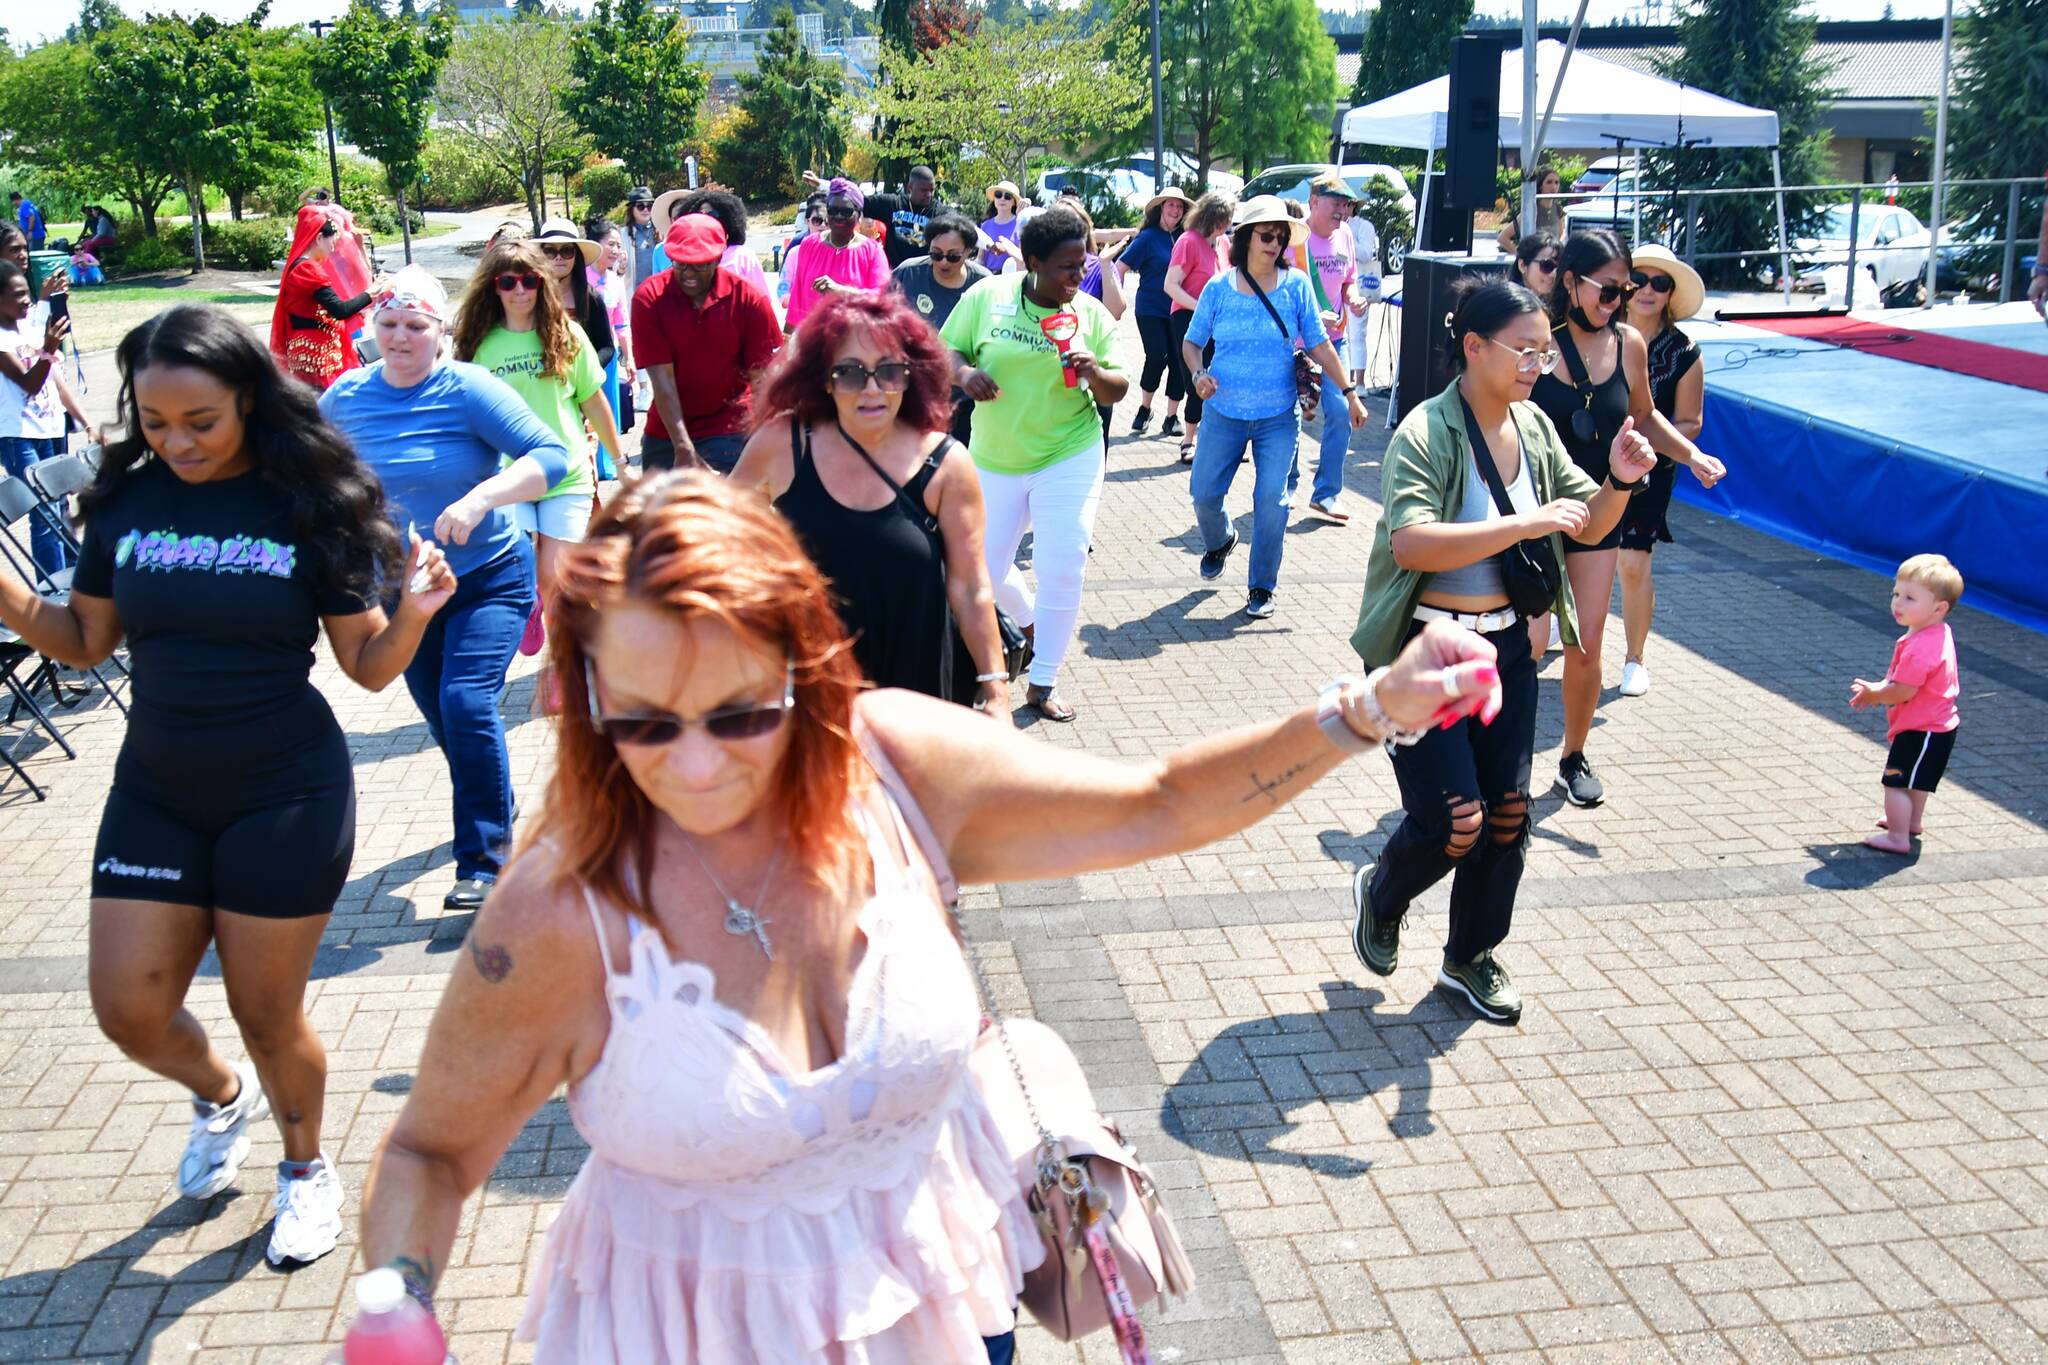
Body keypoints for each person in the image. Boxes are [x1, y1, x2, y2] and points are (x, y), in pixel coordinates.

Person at [354, 466, 1503, 1358]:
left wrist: (1371, 706)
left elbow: (1160, 804)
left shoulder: (894, 767)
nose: (695, 767)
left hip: (948, 1306)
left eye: (740, 714)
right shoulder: (563, 906)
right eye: (644, 722)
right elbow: (432, 1150)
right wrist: (394, 1306)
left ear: (805, 667)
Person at [0, 304, 456, 1266]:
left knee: (264, 1009)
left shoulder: (306, 503)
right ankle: (220, 1097)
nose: (176, 442)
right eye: (156, 423)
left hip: (284, 790)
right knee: (127, 1005)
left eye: (199, 421)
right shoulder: (125, 504)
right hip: (156, 788)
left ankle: (304, 1170)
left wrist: (411, 610)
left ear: (247, 399)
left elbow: (368, 667)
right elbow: (84, 645)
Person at [1350, 278, 1658, 1023]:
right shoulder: (1426, 431)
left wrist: (1621, 478)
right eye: (1525, 350)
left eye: (1544, 353)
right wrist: (1522, 528)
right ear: (1474, 347)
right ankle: (1382, 894)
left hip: (1506, 655)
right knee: (1455, 819)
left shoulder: (1536, 429)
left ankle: (1471, 957)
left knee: (1509, 812)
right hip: (1426, 653)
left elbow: (1584, 524)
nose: (1536, 365)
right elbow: (1411, 539)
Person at [319, 269, 573, 912]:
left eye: (416, 326)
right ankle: (494, 801)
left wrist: (483, 495)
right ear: (372, 330)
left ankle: (486, 864)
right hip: (402, 594)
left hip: (488, 576)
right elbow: (307, 470)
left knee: (465, 703)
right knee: (444, 715)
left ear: (441, 333)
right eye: (389, 324)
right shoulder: (345, 396)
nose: (401, 337)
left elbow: (552, 455)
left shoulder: (469, 390)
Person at [731, 290, 1010, 718]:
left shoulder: (944, 463)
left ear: (911, 375)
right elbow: (719, 536)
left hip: (916, 695)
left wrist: (996, 691)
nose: (872, 389)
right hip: (810, 692)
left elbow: (970, 587)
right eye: (850, 373)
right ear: (824, 378)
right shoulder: (783, 445)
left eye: (889, 372)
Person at [1529, 230, 1726, 809]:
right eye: (1609, 290)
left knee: (1586, 644)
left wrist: (1691, 455)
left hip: (1602, 510)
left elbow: (1644, 414)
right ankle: (1502, 758)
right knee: (1528, 641)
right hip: (1535, 513)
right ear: (1571, 282)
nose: (1620, 301)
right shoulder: (1537, 342)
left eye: (1628, 289)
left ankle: (1571, 757)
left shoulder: (1631, 345)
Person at [940, 206, 1127, 723]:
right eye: (1067, 266)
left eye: (1082, 264)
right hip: (995, 457)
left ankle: (1043, 680)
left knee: (1062, 563)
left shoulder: (1088, 313)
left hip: (1068, 452)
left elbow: (1118, 388)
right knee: (981, 571)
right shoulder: (988, 297)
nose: (1077, 275)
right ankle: (1028, 624)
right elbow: (947, 350)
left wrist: (1092, 371)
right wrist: (966, 374)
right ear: (1033, 261)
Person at [1183, 196, 1364, 621]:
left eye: (1281, 237)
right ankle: (1220, 539)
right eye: (1267, 235)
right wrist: (1198, 375)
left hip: (1278, 417)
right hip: (1223, 411)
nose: (1275, 242)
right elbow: (1192, 343)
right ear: (1246, 237)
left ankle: (1262, 585)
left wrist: (1350, 392)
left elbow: (1319, 344)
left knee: (1272, 501)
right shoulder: (1218, 289)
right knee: (1204, 494)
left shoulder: (1296, 285)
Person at [450, 239, 622, 667]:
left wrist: (620, 463)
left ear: (542, 284)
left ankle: (563, 667)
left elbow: (593, 400)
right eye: (509, 282)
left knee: (556, 575)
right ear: (494, 288)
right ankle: (529, 607)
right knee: (525, 571)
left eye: (529, 280)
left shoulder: (567, 334)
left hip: (567, 473)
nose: (520, 290)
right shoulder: (479, 346)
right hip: (509, 479)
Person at [1614, 245, 1706, 699]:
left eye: (1661, 283)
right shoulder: (1599, 333)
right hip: (1590, 459)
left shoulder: (1684, 351)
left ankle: (1635, 658)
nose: (1648, 290)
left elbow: (1691, 420)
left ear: (1671, 294)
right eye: (1639, 279)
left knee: (1632, 563)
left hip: (1650, 467)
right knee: (1570, 549)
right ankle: (1558, 623)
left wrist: (1652, 444)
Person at [633, 214, 783, 475]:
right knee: (658, 513)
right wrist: (682, 448)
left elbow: (761, 379)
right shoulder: (650, 298)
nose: (689, 273)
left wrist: (768, 442)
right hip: (668, 429)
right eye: (680, 263)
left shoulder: (749, 299)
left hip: (728, 427)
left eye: (700, 265)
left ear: (719, 256)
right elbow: (662, 379)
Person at [1851, 554, 1963, 855]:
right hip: (1937, 727)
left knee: (1895, 782)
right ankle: (1911, 822)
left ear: (1939, 608)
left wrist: (1875, 694)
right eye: (1896, 594)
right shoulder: (1935, 632)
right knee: (1917, 781)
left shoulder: (1921, 648)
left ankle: (1898, 837)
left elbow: (1903, 691)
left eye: (1910, 598)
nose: (1898, 603)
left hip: (1921, 728)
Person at [0, 262, 96, 578]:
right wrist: (48, 350)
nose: (25, 300)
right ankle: (53, 590)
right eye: (18, 295)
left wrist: (47, 298)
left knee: (59, 507)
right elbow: (28, 383)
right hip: (18, 435)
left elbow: (54, 374)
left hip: (49, 429)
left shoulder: (24, 327)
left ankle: (74, 580)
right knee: (43, 515)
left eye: (27, 293)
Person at [1296, 174, 1370, 522]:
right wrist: (1309, 317)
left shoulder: (1345, 236)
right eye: (1335, 203)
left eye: (1346, 205)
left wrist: (1353, 300)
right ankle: (1286, 485)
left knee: (1340, 411)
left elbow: (1348, 281)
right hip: (1294, 346)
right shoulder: (1294, 239)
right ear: (1313, 201)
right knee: (1288, 416)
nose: (1342, 211)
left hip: (1333, 342)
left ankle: (1326, 493)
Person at [269, 205, 376, 391]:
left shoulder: (302, 267)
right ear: (319, 238)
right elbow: (340, 310)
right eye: (331, 243)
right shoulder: (307, 269)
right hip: (316, 353)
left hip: (313, 350)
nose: (332, 248)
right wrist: (372, 293)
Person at [1165, 192, 1235, 463]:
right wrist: (1200, 308)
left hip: (1218, 322)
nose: (1225, 226)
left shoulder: (1222, 243)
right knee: (1198, 378)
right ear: (1209, 217)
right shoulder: (1188, 242)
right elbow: (1170, 285)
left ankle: (1216, 442)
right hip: (1187, 317)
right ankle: (1188, 440)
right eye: (1222, 220)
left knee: (1220, 376)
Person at [1115, 187, 1190, 439]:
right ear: (1160, 208)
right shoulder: (1147, 238)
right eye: (1171, 205)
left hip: (1179, 309)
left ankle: (1171, 416)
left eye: (1179, 207)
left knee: (1180, 360)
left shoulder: (1186, 237)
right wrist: (1117, 298)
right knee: (1157, 356)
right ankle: (1145, 408)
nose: (1175, 211)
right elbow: (1120, 266)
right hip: (1150, 309)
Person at [783, 179, 891, 334]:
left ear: (859, 215)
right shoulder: (809, 245)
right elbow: (797, 297)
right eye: (833, 210)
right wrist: (786, 341)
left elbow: (880, 300)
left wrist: (840, 290)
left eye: (846, 211)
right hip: (813, 343)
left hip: (854, 343)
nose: (839, 216)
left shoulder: (872, 251)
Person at [819, 163, 948, 268]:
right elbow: (855, 199)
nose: (929, 195)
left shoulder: (938, 211)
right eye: (924, 190)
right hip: (896, 274)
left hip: (926, 274)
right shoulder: (893, 204)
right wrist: (823, 185)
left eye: (932, 190)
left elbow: (958, 223)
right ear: (910, 187)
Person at [652, 188, 773, 299]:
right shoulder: (684, 258)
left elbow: (762, 299)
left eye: (712, 215)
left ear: (727, 219)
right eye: (698, 214)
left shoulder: (743, 257)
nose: (704, 219)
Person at [585, 216, 635, 439]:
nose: (616, 250)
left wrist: (630, 359)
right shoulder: (579, 277)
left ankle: (610, 463)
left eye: (618, 245)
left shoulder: (615, 281)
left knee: (610, 409)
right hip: (583, 355)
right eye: (611, 244)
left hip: (610, 356)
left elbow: (622, 324)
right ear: (595, 245)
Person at [1337, 193, 1382, 389]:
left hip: (1359, 283)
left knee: (1357, 333)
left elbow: (1365, 253)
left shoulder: (1364, 226)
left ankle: (1360, 382)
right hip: (1338, 282)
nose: (1340, 209)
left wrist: (1346, 239)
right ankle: (1345, 378)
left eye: (1344, 204)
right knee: (1341, 333)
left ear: (1352, 206)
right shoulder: (1334, 228)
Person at [1495, 163, 1564, 253]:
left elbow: (1560, 235)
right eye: (1549, 182)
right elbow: (1502, 238)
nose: (1553, 186)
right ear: (1540, 186)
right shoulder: (1531, 209)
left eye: (1556, 182)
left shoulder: (1558, 209)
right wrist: (1521, 256)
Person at [780, 194, 830, 308]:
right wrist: (802, 302)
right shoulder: (794, 253)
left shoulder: (840, 253)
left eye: (827, 222)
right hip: (800, 320)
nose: (822, 225)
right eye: (817, 220)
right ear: (807, 221)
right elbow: (782, 290)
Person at [979, 180, 1024, 272]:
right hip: (989, 276)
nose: (1002, 199)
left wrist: (1007, 248)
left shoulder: (1020, 223)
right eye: (998, 195)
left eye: (1007, 196)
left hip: (1012, 277)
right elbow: (980, 259)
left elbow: (1024, 257)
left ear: (1014, 202)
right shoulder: (985, 225)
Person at [622, 185, 659, 293]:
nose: (646, 210)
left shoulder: (660, 230)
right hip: (635, 292)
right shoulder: (624, 234)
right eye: (640, 206)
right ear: (631, 209)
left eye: (649, 206)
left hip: (658, 291)